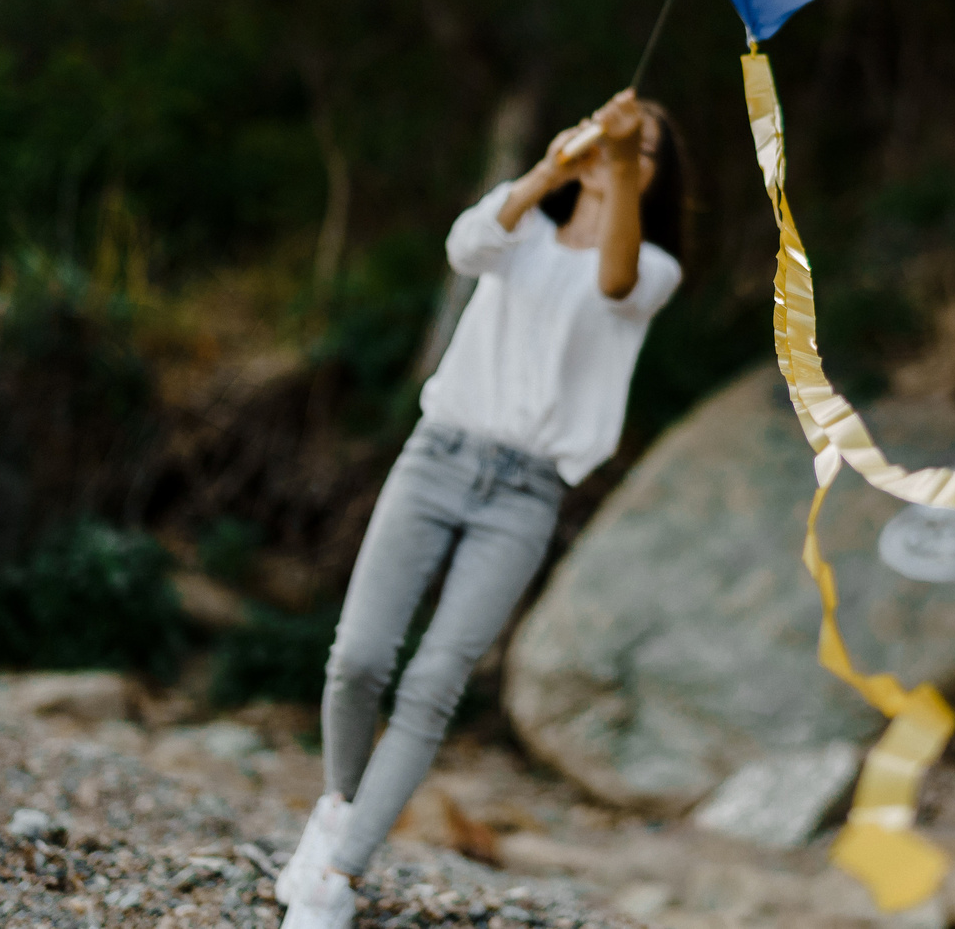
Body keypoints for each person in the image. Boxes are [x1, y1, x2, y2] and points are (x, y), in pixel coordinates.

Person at [278, 88, 685, 929]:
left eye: (643, 150)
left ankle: (335, 880)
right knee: (356, 657)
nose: (624, 155)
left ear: (659, 176)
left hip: (527, 492)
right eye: (619, 140)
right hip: (438, 457)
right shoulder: (526, 230)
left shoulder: (653, 267)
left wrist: (608, 159)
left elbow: (612, 284)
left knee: (433, 682)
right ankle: (338, 809)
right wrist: (549, 169)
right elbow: (467, 245)